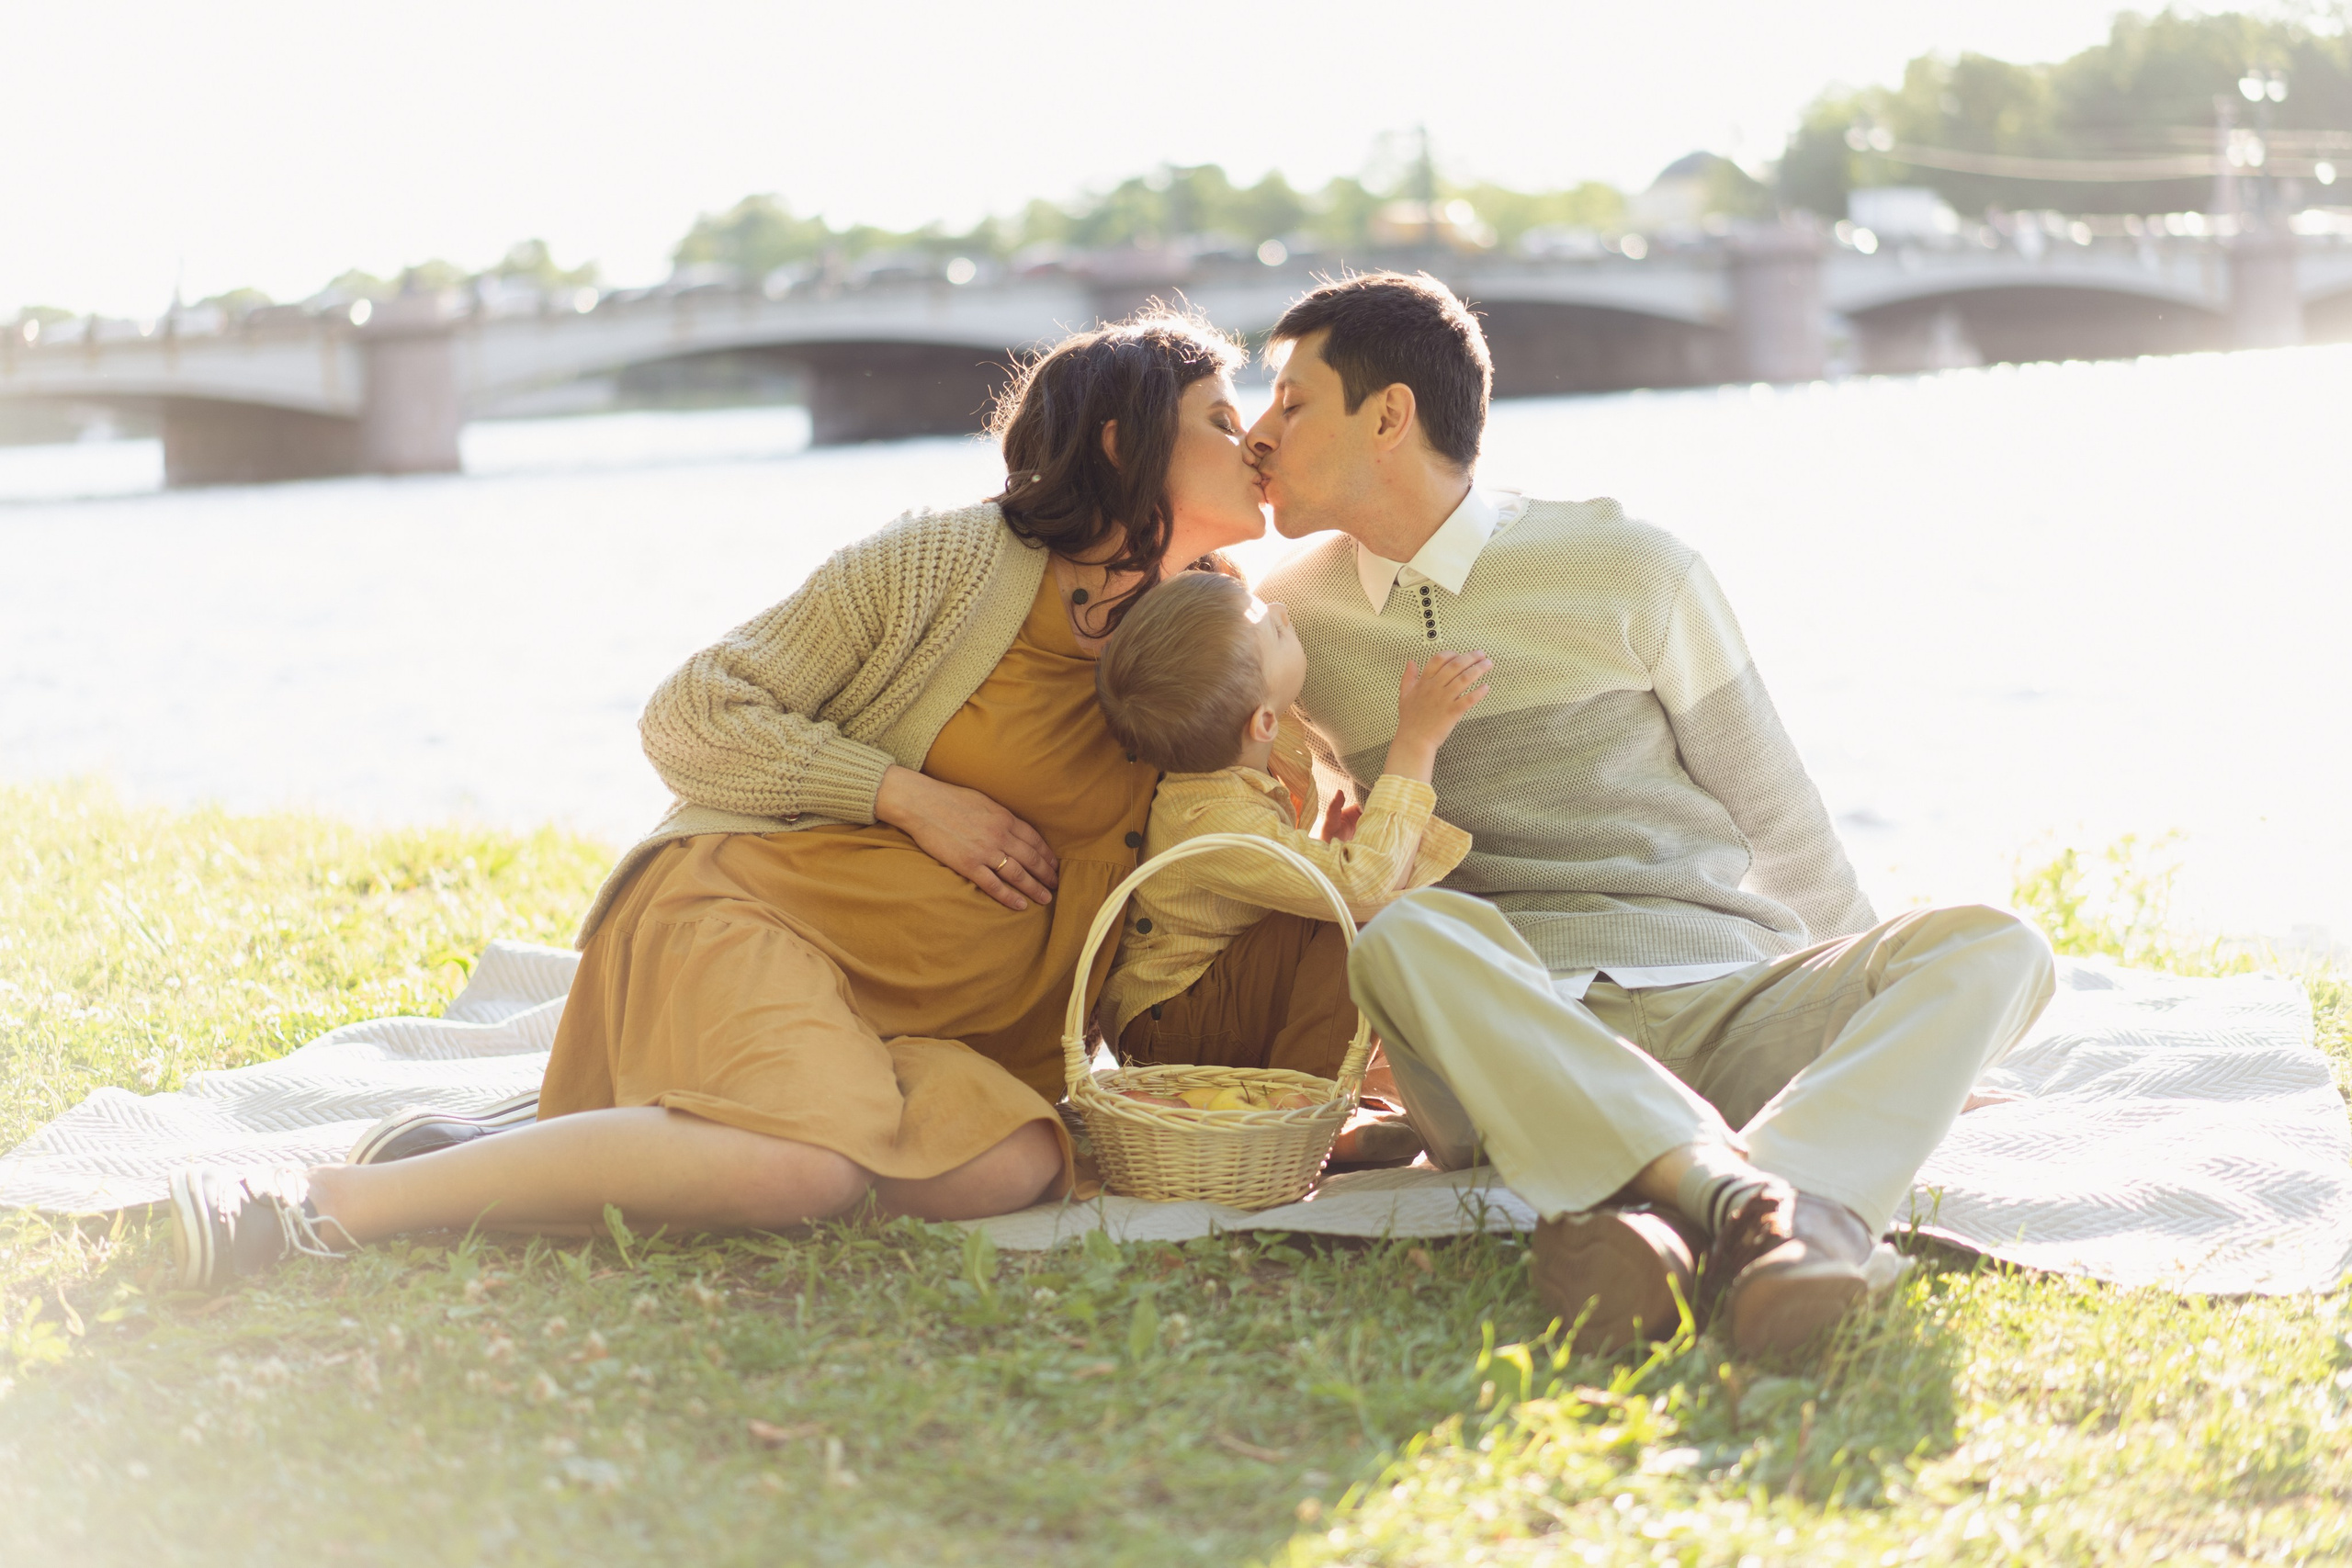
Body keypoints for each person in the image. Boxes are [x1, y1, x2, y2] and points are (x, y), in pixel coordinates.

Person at [164, 310, 1274, 1289]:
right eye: (1223, 421)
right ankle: (318, 1204)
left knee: (1012, 1165)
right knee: (799, 1169)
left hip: (942, 1025)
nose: (1256, 443)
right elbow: (690, 712)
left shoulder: (1224, 626)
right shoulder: (949, 562)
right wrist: (902, 796)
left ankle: (538, 1150)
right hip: (762, 917)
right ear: (1122, 443)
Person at [1247, 272, 2056, 1356]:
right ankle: (1780, 1210)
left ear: (1388, 416)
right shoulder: (1288, 622)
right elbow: (1306, 843)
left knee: (1994, 947)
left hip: (1718, 999)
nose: (1259, 433)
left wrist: (1883, 1019)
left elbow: (1775, 812)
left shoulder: (1630, 566)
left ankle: (1689, 1212)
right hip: (1515, 1032)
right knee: (1404, 938)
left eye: (1291, 402)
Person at [1091, 569, 1483, 1078]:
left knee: (1346, 904)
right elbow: (1365, 885)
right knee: (1359, 913)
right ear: (1264, 723)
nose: (1282, 611)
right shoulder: (1208, 817)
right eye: (1275, 630)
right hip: (1176, 1025)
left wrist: (1322, 854)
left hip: (1208, 1001)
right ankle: (1304, 1101)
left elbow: (1249, 897)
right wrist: (1416, 740)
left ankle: (1310, 1093)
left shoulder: (1220, 784)